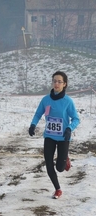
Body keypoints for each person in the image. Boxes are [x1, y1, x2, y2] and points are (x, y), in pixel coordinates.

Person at [28, 71, 80, 199]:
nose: (56, 84)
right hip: (49, 136)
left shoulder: (68, 101)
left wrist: (69, 128)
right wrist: (33, 125)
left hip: (63, 137)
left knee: (60, 168)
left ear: (64, 84)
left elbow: (76, 119)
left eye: (59, 81)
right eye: (54, 81)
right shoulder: (46, 100)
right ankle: (58, 189)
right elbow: (38, 114)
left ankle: (65, 159)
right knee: (49, 163)